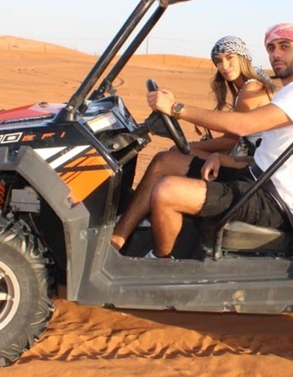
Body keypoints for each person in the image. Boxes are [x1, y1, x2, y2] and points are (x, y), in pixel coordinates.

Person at [141, 22, 293, 258]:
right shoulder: (292, 91)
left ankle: (159, 267)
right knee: (166, 161)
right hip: (256, 178)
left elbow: (242, 126)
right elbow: (267, 155)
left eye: (284, 46)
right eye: (271, 48)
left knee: (167, 191)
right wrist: (221, 158)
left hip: (273, 201)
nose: (275, 54)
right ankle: (117, 240)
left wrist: (176, 107)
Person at [110, 36, 275, 251]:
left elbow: (232, 137)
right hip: (245, 160)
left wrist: (189, 142)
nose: (224, 66)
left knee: (167, 159)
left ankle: (119, 238)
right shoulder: (244, 88)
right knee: (172, 155)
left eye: (229, 58)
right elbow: (230, 133)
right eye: (218, 61)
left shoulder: (252, 89)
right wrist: (195, 141)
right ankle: (141, 223)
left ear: (243, 57)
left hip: (250, 167)